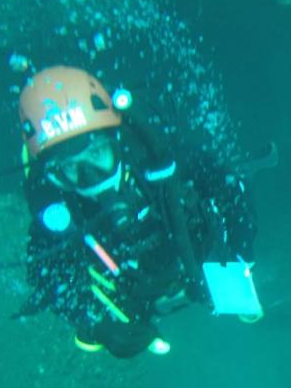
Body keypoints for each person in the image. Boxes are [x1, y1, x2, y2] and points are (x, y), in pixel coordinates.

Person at [14, 65, 261, 358]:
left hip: (202, 265)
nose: (91, 178)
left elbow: (229, 187)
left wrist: (240, 253)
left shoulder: (164, 163)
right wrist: (95, 322)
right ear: (54, 176)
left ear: (115, 140)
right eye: (71, 168)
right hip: (137, 302)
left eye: (96, 154)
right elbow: (47, 275)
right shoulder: (61, 215)